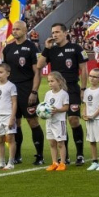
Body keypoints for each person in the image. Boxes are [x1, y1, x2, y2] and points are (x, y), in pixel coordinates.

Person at [37, 22, 88, 166]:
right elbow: (39, 65)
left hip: (72, 88)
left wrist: (83, 89)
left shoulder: (76, 48)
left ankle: (80, 154)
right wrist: (46, 48)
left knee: (73, 119)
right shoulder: (51, 50)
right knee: (60, 122)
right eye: (53, 32)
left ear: (65, 33)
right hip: (57, 91)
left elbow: (84, 69)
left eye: (58, 32)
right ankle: (64, 157)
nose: (55, 35)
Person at [2, 20, 43, 165]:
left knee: (32, 121)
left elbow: (37, 72)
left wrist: (34, 91)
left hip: (27, 89)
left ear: (25, 31)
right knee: (15, 122)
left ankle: (40, 156)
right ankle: (17, 155)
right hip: (11, 90)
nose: (15, 31)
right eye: (14, 29)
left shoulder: (32, 48)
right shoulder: (8, 48)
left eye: (18, 29)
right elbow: (5, 70)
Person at [0, 64, 17, 170]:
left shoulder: (11, 86)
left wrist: (12, 118)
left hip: (8, 116)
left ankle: (11, 163)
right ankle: (1, 163)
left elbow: (14, 103)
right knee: (0, 140)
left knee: (10, 139)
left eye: (1, 72)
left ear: (8, 74)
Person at [82, 68, 99, 171]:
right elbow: (85, 105)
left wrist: (94, 115)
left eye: (95, 77)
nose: (92, 78)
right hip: (89, 120)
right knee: (91, 141)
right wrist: (84, 114)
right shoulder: (87, 91)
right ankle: (94, 161)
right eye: (90, 76)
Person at [44, 72, 71, 172]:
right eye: (49, 81)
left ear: (59, 81)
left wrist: (57, 110)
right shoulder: (48, 94)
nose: (50, 83)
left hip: (59, 122)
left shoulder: (63, 94)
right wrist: (44, 113)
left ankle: (62, 163)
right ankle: (54, 163)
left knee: (60, 143)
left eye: (52, 81)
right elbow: (45, 107)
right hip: (49, 122)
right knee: (52, 143)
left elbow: (66, 107)